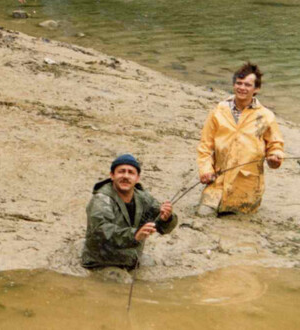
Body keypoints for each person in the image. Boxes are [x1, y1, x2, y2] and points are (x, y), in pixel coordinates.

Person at [197, 62, 284, 216]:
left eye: (247, 85)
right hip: (217, 181)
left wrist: (274, 158)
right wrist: (205, 170)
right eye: (239, 83)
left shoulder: (266, 116)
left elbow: (275, 145)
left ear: (256, 89)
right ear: (234, 84)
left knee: (240, 220)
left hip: (248, 186)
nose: (242, 88)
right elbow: (205, 146)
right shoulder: (218, 111)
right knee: (203, 214)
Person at [81, 154, 177, 270]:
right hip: (101, 262)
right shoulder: (101, 199)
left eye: (131, 172)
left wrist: (166, 218)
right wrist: (135, 234)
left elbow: (163, 227)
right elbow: (101, 230)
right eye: (121, 172)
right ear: (112, 175)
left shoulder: (143, 197)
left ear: (137, 178)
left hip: (131, 259)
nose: (126, 176)